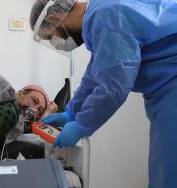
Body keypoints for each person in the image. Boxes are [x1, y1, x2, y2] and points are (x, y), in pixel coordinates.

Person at [29, 0, 177, 188]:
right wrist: (71, 113)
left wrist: (81, 125)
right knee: (164, 166)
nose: (56, 43)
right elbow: (95, 75)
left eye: (50, 37)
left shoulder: (106, 16)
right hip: (166, 88)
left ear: (54, 18)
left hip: (172, 86)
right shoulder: (100, 15)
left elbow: (113, 86)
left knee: (169, 171)